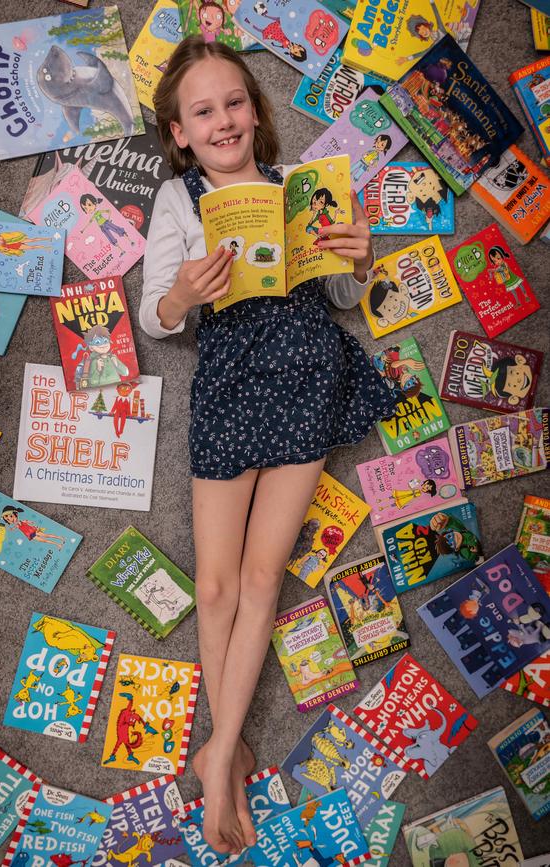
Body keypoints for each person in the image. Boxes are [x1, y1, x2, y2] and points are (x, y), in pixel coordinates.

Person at [139, 36, 395, 857]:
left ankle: (220, 766)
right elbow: (156, 317)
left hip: (307, 375)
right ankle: (227, 743)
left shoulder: (296, 188)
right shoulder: (178, 201)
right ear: (179, 132)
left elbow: (346, 298)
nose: (224, 120)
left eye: (235, 104)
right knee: (214, 587)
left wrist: (359, 259)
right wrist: (182, 292)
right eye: (204, 111)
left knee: (259, 576)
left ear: (257, 112)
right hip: (229, 384)